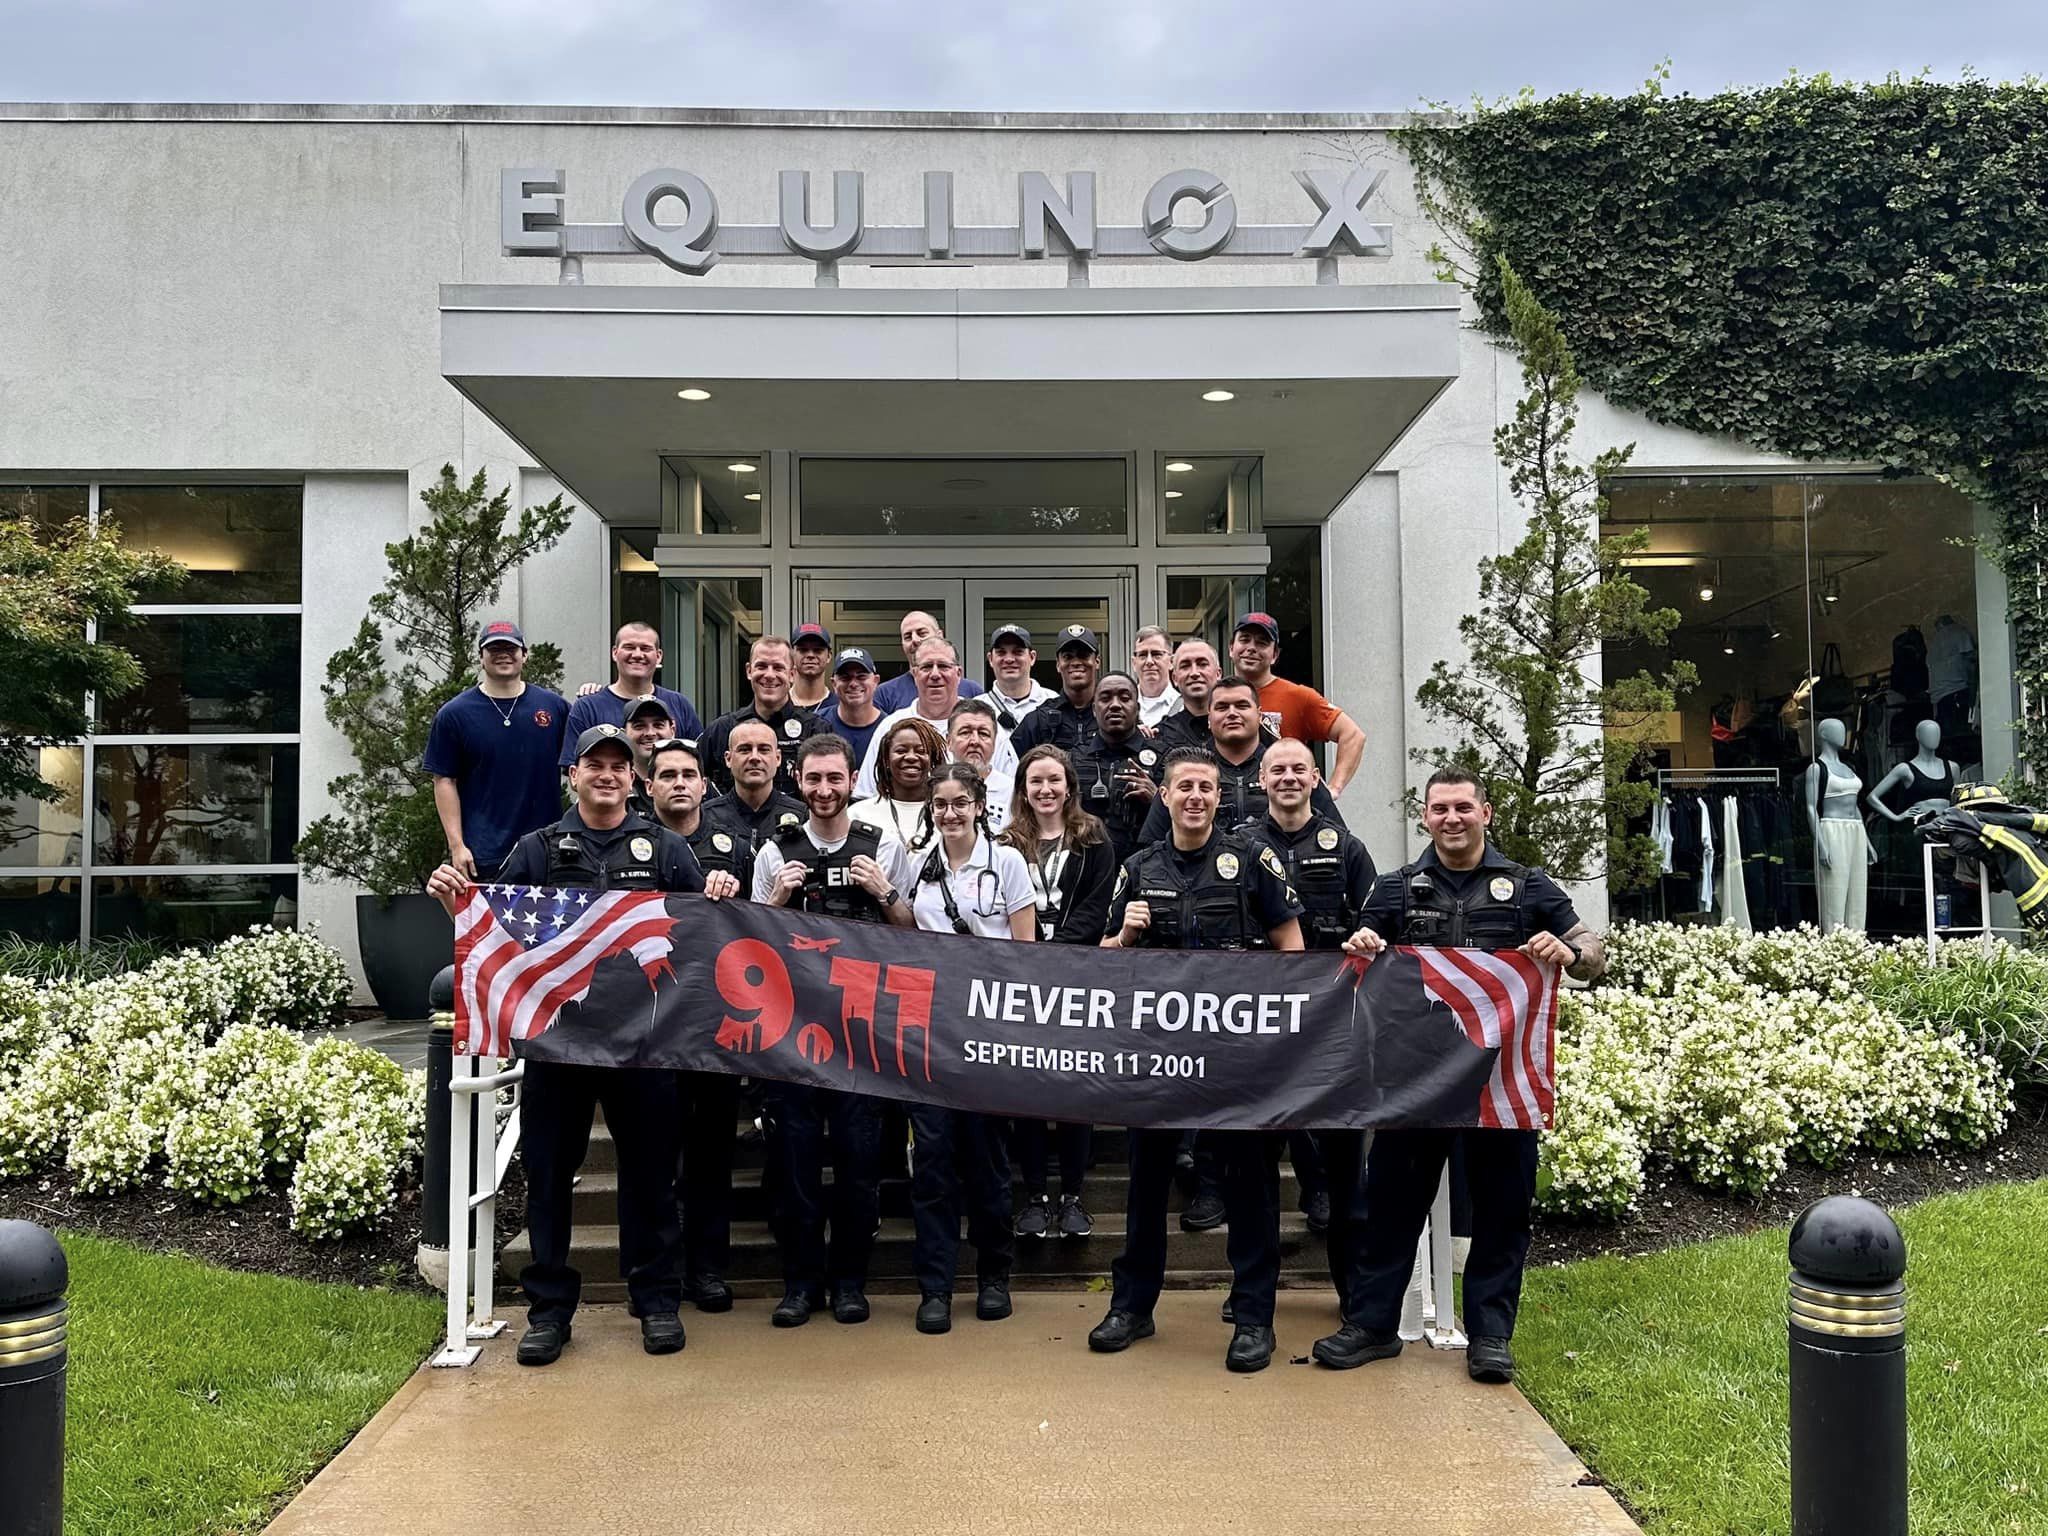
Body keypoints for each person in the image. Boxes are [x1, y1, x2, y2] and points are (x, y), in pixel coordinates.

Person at [425, 722, 713, 1366]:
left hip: (644, 1048)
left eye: (618, 766)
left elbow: (702, 941)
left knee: (651, 1179)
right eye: (594, 765)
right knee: (549, 1179)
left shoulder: (668, 851)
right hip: (558, 1046)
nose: (607, 775)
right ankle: (550, 1311)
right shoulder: (537, 848)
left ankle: (656, 1300)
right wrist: (456, 907)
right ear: (573, 776)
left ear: (634, 780)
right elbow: (496, 933)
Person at [1317, 765, 1605, 1384]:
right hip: (1413, 1083)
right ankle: (1372, 1326)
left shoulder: (1528, 887)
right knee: (1390, 1206)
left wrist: (1570, 952)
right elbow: (1361, 956)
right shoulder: (1396, 889)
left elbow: (1592, 953)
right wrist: (1363, 942)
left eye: (1463, 807)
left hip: (1499, 1083)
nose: (1451, 819)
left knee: (1502, 1210)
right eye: (1440, 809)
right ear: (1425, 817)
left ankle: (1490, 1336)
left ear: (1486, 813)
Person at [1089, 747, 1305, 1374]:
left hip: (1235, 1056)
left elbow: (1291, 947)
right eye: (1184, 786)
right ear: (1164, 795)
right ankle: (1132, 1306)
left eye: (1205, 788)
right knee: (1146, 1181)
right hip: (1156, 1057)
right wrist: (1124, 935)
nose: (1195, 797)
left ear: (1219, 797)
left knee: (1250, 1184)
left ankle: (1254, 1316)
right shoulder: (1138, 867)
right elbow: (1101, 960)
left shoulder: (1251, 860)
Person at [751, 735, 919, 1328]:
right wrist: (777, 898)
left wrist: (884, 892)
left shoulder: (883, 845)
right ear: (798, 781)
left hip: (859, 1030)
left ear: (852, 781)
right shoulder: (775, 851)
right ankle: (800, 1284)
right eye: (814, 779)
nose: (824, 790)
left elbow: (912, 935)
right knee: (794, 1163)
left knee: (858, 1161)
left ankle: (850, 1282)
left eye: (835, 778)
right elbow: (751, 944)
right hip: (793, 1030)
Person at [904, 764, 1035, 1334]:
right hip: (932, 1036)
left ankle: (993, 1277)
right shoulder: (918, 863)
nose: (950, 814)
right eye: (941, 805)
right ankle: (935, 1287)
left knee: (987, 1162)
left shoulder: (1007, 862)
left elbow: (1027, 952)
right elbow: (904, 935)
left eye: (960, 803)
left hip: (989, 1036)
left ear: (980, 805)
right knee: (932, 1164)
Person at [1244, 738, 1378, 1240]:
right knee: (1261, 1135)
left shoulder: (1345, 847)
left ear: (1316, 778)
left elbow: (1376, 917)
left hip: (1331, 1006)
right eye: (1277, 770)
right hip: (1259, 1007)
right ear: (1261, 780)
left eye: (1299, 769)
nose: (1288, 778)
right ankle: (1257, 1273)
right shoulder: (1238, 846)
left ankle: (1336, 1207)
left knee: (1338, 1125)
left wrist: (1367, 937)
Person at [642, 737, 746, 1312]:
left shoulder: (737, 847)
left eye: (688, 774)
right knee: (654, 1157)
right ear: (648, 786)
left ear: (705, 785)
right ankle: (657, 1273)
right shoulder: (631, 845)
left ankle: (707, 1269)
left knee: (711, 1155)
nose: (679, 783)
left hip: (716, 1025)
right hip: (649, 1026)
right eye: (668, 775)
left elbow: (765, 922)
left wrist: (735, 895)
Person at [1001, 745, 1118, 1240]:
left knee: (1074, 1089)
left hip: (1076, 978)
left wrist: (1055, 953)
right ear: (1023, 789)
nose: (1045, 789)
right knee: (1027, 1090)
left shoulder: (1094, 839)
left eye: (1054, 780)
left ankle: (1072, 1196)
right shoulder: (1004, 843)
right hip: (1023, 981)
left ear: (1069, 787)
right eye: (1036, 781)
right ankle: (1034, 1196)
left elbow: (1096, 908)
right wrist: (1031, 957)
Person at [424, 620, 567, 880]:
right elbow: (444, 780)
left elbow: (580, 769)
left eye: (510, 648)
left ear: (524, 655)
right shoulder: (454, 714)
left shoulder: (555, 707)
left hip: (548, 851)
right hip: (484, 856)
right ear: (481, 657)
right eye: (494, 649)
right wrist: (457, 846)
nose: (503, 654)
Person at [1140, 676, 1342, 844]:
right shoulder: (1186, 772)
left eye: (1242, 705)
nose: (1232, 713)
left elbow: (1337, 838)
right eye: (1222, 707)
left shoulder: (1289, 771)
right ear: (1209, 719)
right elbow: (1151, 848)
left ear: (1259, 715)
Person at [857, 636, 1016, 797]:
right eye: (926, 667)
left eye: (943, 666)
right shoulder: (891, 727)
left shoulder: (986, 728)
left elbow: (1011, 793)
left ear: (958, 674)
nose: (935, 674)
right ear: (914, 674)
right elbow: (866, 794)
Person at [1228, 612, 1365, 793]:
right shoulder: (1218, 698)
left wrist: (1333, 789)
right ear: (1231, 648)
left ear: (1275, 654)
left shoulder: (1298, 696)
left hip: (1285, 802)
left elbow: (1353, 735)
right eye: (1245, 640)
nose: (1251, 648)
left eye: (1262, 643)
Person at [698, 635, 828, 798]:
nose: (769, 675)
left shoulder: (816, 730)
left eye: (778, 668)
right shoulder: (720, 731)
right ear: (749, 671)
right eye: (761, 666)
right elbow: (696, 782)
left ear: (792, 674)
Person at [560, 620, 703, 766]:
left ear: (659, 656)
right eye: (629, 647)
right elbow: (574, 769)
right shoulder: (587, 708)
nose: (637, 654)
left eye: (645, 648)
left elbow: (700, 763)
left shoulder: (680, 705)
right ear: (614, 653)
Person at [1065, 671, 1163, 864]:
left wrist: (1157, 800)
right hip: (1083, 866)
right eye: (1105, 698)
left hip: (1145, 867)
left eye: (1125, 698)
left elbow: (1183, 820)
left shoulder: (1163, 758)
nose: (1115, 705)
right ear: (1094, 709)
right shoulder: (1072, 760)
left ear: (1137, 708)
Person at [701, 716, 807, 865]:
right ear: (728, 759)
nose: (754, 757)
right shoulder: (705, 817)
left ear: (778, 758)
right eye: (744, 750)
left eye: (764, 750)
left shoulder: (802, 817)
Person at [850, 715, 945, 850]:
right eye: (901, 751)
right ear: (886, 759)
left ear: (932, 759)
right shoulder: (858, 815)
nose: (911, 757)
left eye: (921, 751)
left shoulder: (947, 814)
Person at [1009, 624, 1103, 756]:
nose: (1076, 662)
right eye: (1068, 657)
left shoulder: (1112, 716)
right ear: (1058, 664)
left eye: (1083, 655)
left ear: (1097, 661)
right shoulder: (1037, 721)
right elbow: (1009, 764)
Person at [872, 610, 985, 714]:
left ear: (940, 636)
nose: (915, 640)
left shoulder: (972, 691)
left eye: (922, 633)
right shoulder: (885, 694)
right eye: (908, 637)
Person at [945, 697, 1013, 830]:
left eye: (983, 734)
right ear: (949, 741)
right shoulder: (935, 786)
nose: (975, 741)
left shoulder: (1012, 792)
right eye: (965, 732)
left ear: (994, 742)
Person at [1153, 638, 1226, 753]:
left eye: (1202, 664)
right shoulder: (1160, 735)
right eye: (1185, 666)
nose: (1194, 673)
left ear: (1218, 674)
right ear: (1174, 678)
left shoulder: (1237, 726)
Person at [983, 623, 1057, 733]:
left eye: (1017, 652)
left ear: (1032, 657)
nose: (1009, 659)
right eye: (1001, 652)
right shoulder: (977, 708)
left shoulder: (1054, 702)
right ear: (990, 659)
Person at [819, 646, 885, 762]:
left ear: (875, 681)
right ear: (834, 684)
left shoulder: (888, 727)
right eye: (845, 678)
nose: (853, 684)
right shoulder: (817, 724)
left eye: (861, 677)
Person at [620, 695, 674, 819]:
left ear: (672, 731)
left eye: (658, 725)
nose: (650, 733)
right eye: (639, 726)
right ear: (624, 733)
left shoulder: (692, 779)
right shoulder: (615, 784)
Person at [1131, 625, 1181, 728]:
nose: (1149, 661)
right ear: (1134, 663)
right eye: (1142, 655)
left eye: (1156, 654)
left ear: (1171, 661)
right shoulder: (1123, 707)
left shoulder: (1184, 707)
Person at [788, 622, 835, 711]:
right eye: (803, 650)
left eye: (818, 650)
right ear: (792, 654)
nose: (810, 655)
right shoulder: (778, 704)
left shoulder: (839, 707)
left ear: (829, 656)